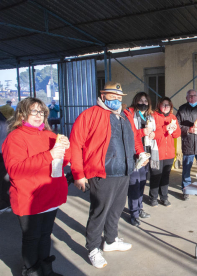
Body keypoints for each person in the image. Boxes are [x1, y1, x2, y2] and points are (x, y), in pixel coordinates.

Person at [70, 82, 147, 268]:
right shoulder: (89, 115)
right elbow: (75, 144)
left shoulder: (125, 116)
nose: (117, 100)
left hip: (125, 171)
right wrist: (78, 174)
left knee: (116, 209)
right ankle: (93, 248)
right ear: (103, 96)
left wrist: (141, 152)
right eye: (113, 96)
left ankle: (111, 241)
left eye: (119, 97)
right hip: (101, 173)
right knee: (99, 212)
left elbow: (135, 137)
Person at [2, 97, 70, 276]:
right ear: (22, 114)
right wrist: (49, 155)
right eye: (34, 111)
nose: (39, 115)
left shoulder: (49, 135)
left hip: (50, 195)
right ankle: (31, 271)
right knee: (32, 238)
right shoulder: (15, 137)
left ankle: (46, 269)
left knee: (45, 235)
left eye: (41, 112)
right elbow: (15, 170)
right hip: (29, 198)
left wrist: (65, 151)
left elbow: (60, 164)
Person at [125, 92, 154, 227]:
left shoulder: (148, 115)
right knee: (134, 183)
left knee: (142, 181)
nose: (143, 103)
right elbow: (131, 134)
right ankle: (134, 213)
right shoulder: (129, 113)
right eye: (140, 100)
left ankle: (140, 207)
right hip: (134, 153)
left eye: (145, 101)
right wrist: (144, 132)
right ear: (135, 100)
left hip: (146, 152)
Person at [151, 97, 181, 206]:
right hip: (157, 152)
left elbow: (177, 135)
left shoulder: (173, 117)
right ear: (159, 105)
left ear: (171, 107)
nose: (165, 107)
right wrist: (165, 128)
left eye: (167, 105)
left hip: (169, 153)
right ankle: (153, 197)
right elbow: (153, 135)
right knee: (156, 175)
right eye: (163, 104)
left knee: (165, 176)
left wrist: (174, 128)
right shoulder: (153, 116)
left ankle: (164, 197)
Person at [0, 101, 14, 214]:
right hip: (6, 153)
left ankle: (4, 202)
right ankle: (6, 202)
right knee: (6, 178)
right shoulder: (8, 123)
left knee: (4, 178)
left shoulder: (4, 122)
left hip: (3, 153)